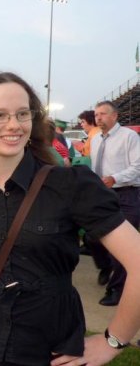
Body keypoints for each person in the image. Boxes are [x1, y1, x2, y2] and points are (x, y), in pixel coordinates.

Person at [0, 72, 140, 366]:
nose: (14, 124)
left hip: (51, 350)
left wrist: (113, 340)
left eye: (22, 114)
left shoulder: (70, 185)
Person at [88, 100, 140, 306]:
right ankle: (105, 266)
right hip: (103, 194)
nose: (98, 118)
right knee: (92, 238)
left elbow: (138, 166)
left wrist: (115, 178)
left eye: (102, 114)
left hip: (127, 194)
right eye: (96, 114)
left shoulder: (129, 137)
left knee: (121, 246)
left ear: (114, 116)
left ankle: (116, 289)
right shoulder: (95, 140)